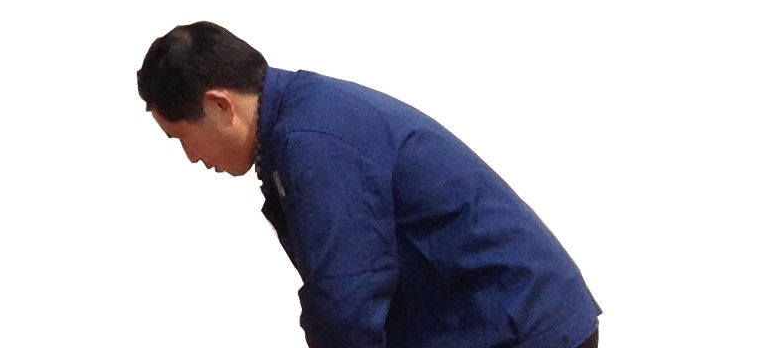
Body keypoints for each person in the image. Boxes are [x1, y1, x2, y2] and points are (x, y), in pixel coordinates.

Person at [137, 21, 601, 348]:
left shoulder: (313, 142)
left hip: (520, 326)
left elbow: (346, 302)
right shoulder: (302, 120)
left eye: (181, 137)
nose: (191, 157)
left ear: (219, 105)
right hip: (496, 317)